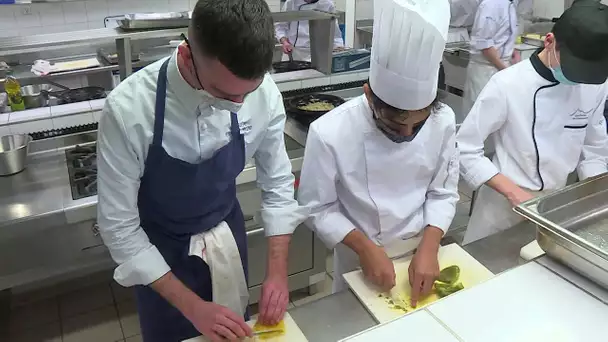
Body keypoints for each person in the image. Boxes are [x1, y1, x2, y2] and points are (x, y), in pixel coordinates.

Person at [96, 1, 307, 341]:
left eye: (247, 93)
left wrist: (278, 272)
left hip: (227, 238)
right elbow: (119, 228)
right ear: (186, 55)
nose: (237, 104)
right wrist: (193, 307)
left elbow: (278, 183)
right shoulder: (129, 110)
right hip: (161, 255)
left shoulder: (263, 91)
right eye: (223, 94)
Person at [298, 0, 459, 307]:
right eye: (395, 125)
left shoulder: (444, 121)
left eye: (418, 124)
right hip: (359, 261)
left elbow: (442, 192)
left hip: (421, 248)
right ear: (369, 95)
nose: (407, 136)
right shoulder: (330, 132)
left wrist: (430, 245)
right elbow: (316, 207)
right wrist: (364, 247)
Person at [457, 0, 608, 246]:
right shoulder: (508, 84)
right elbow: (464, 148)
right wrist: (513, 192)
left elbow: (594, 149)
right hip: (503, 204)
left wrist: (598, 196)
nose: (579, 80)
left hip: (555, 205)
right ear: (549, 42)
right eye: (574, 69)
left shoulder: (596, 84)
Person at [463, 0, 520, 116]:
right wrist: (505, 69)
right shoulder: (491, 5)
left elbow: (501, 36)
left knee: (497, 116)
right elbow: (485, 46)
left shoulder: (510, 4)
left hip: (498, 67)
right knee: (481, 116)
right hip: (486, 71)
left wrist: (511, 50)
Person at [275, 0, 344, 62]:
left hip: (318, 54)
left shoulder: (327, 4)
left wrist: (339, 50)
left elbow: (335, 34)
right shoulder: (290, 2)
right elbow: (280, 26)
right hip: (292, 52)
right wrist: (284, 42)